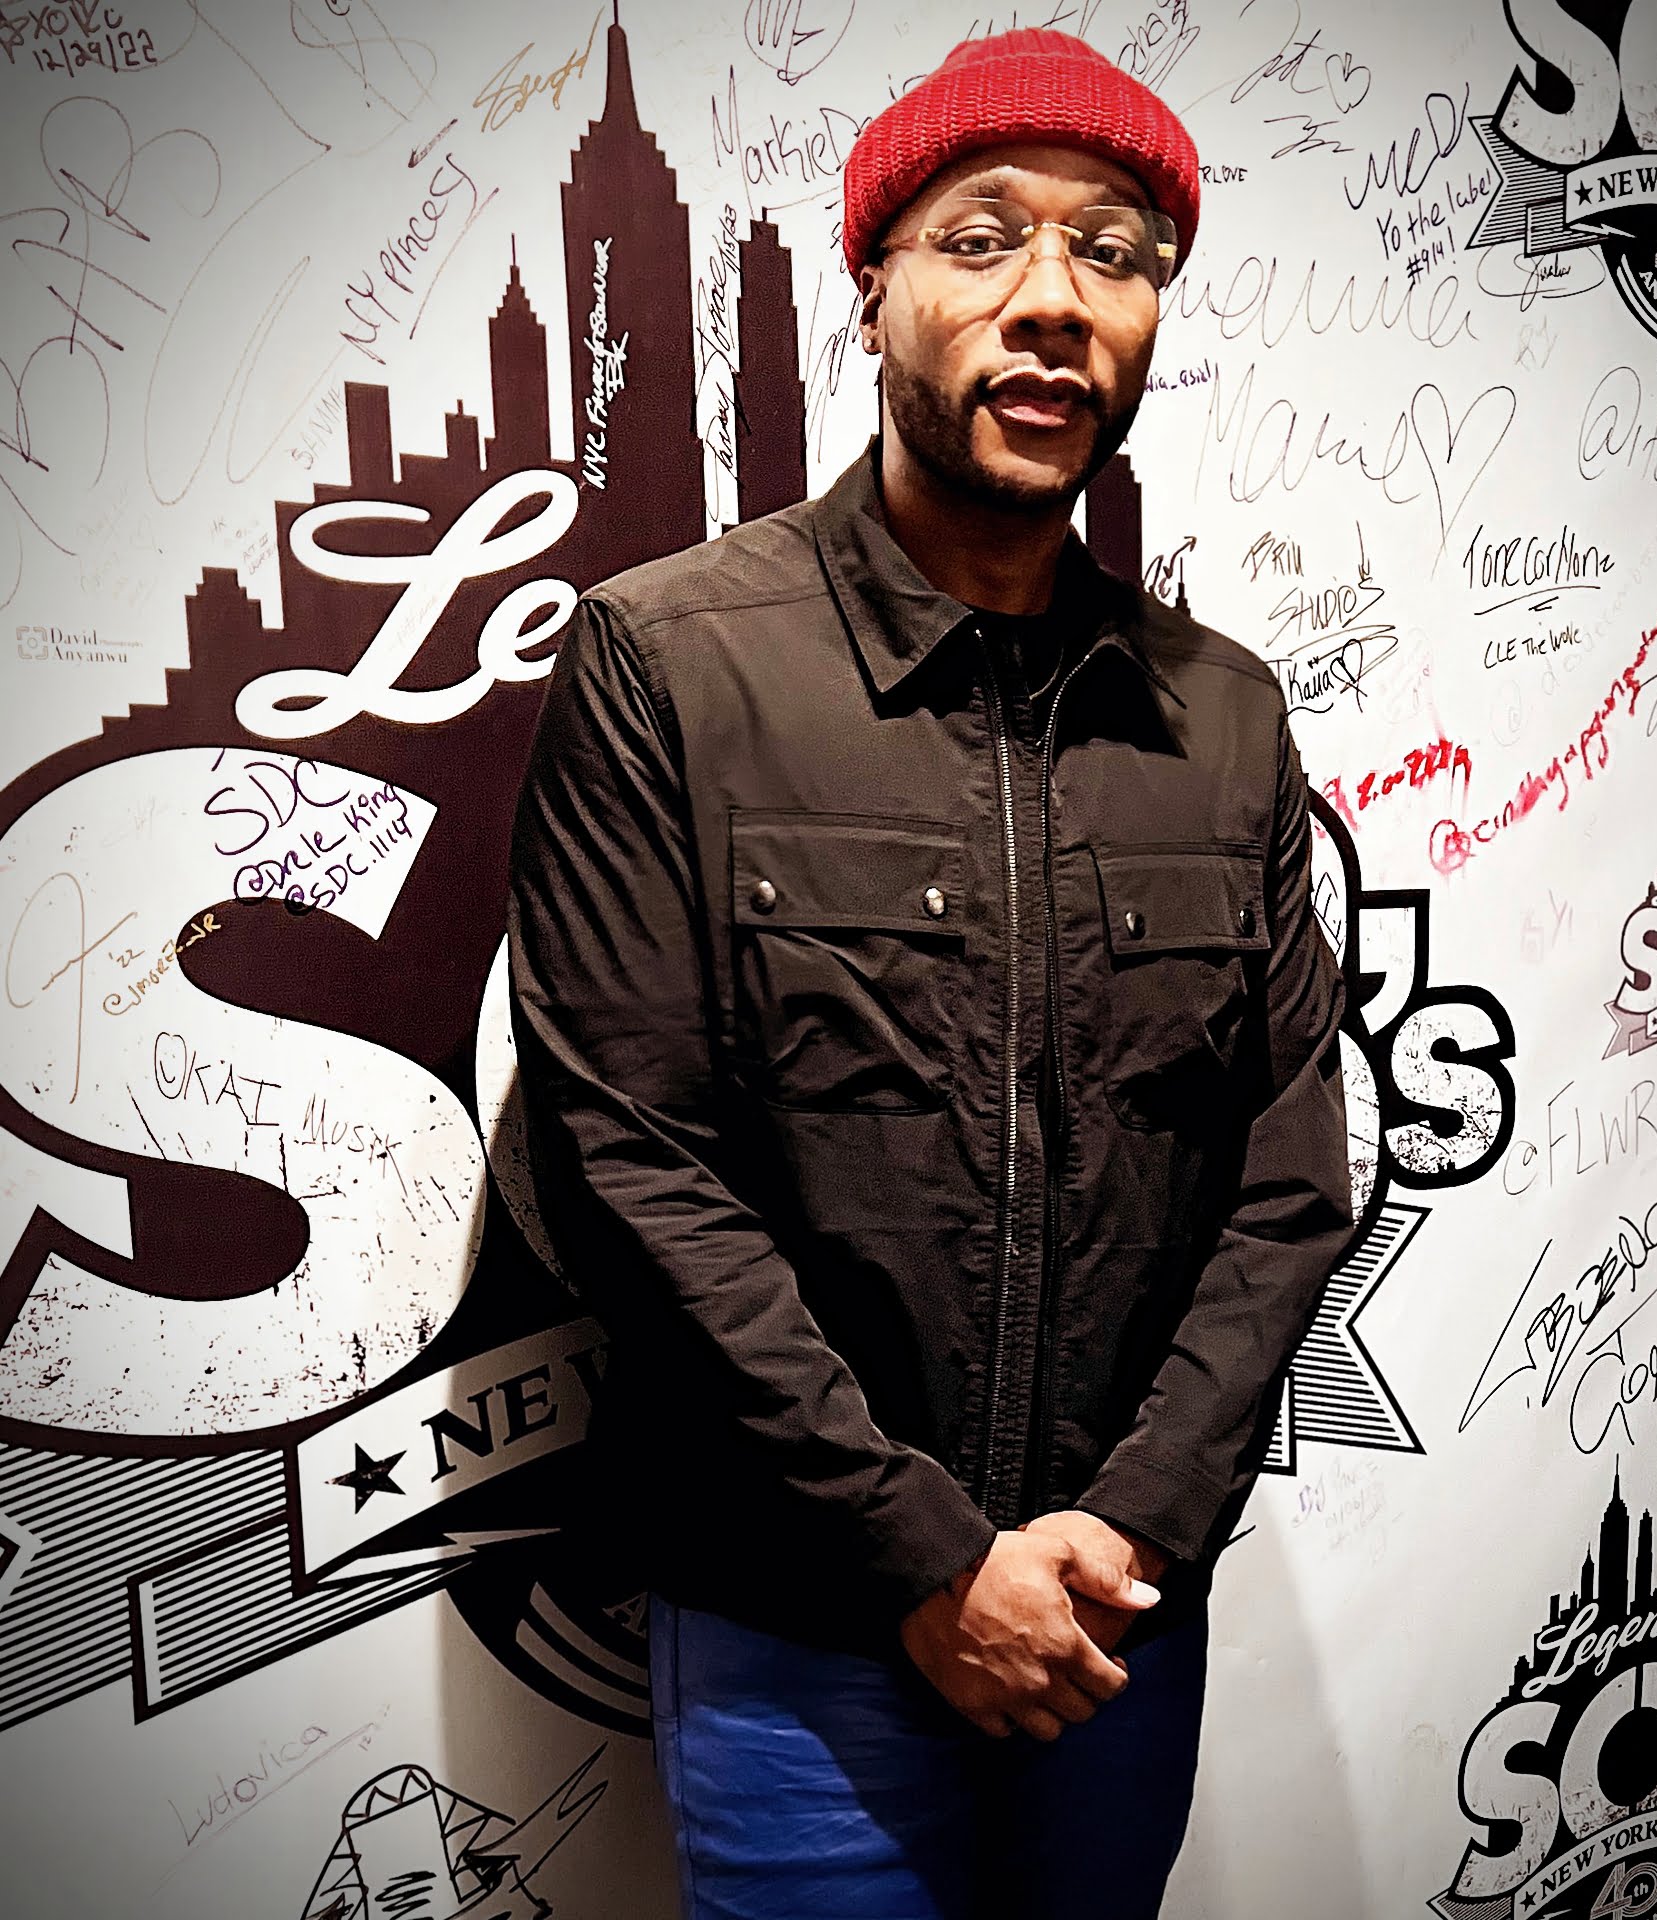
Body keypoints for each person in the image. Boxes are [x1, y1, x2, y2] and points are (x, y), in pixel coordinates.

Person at [508, 27, 1353, 1920]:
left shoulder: (1224, 717)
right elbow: (626, 1160)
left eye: (1114, 253)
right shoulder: (673, 664)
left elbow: (1290, 1176)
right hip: (804, 1635)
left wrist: (1128, 1531)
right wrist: (928, 1566)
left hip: (1115, 1622)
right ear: (874, 286)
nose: (1053, 301)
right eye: (982, 239)